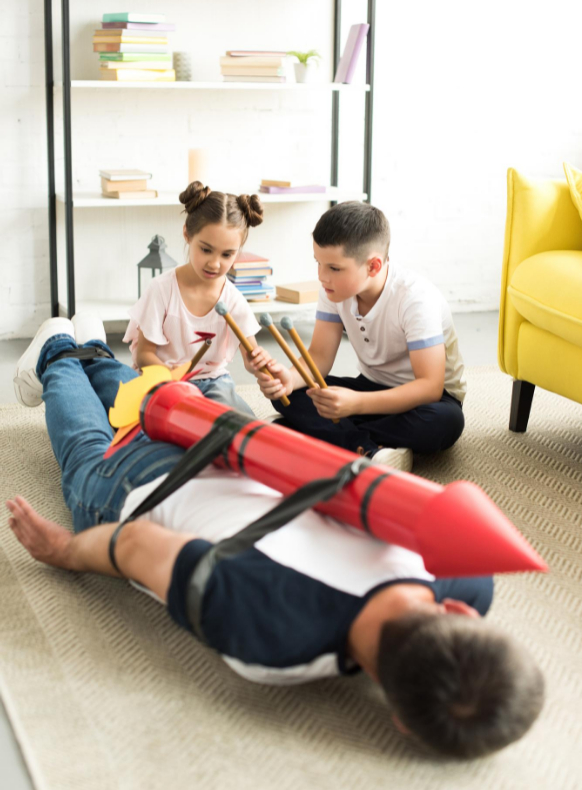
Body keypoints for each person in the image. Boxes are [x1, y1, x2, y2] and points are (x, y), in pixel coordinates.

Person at [9, 317, 545, 759]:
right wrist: (65, 553)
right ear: (401, 720)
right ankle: (60, 353)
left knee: (151, 401)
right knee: (86, 449)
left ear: (460, 613)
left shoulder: (467, 568)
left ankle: (90, 349)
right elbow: (133, 545)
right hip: (144, 484)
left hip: (241, 443)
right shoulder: (272, 641)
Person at [256, 201, 467, 472]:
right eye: (318, 263)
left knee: (446, 422)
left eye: (334, 268)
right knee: (290, 393)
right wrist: (289, 379)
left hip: (429, 399)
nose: (322, 276)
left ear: (373, 266)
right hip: (371, 386)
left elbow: (429, 387)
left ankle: (319, 432)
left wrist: (355, 405)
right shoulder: (332, 289)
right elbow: (319, 356)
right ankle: (366, 447)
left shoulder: (415, 299)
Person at [124, 181, 272, 416]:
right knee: (153, 420)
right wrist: (171, 379)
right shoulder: (161, 289)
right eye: (206, 250)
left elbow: (250, 357)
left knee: (237, 422)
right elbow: (144, 355)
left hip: (212, 380)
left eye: (227, 254)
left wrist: (259, 362)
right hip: (164, 378)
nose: (215, 263)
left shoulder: (233, 299)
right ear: (187, 234)